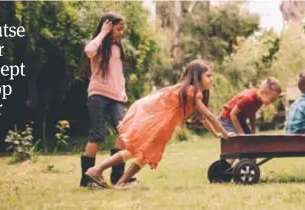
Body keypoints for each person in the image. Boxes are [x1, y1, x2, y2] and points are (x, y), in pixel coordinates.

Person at [84, 60, 230, 190]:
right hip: (156, 121)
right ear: (197, 77)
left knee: (145, 155)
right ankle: (97, 170)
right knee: (135, 150)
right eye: (208, 76)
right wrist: (226, 134)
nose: (212, 79)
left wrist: (216, 134)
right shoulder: (191, 91)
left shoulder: (191, 91)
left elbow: (204, 118)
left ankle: (121, 182)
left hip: (161, 124)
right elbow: (210, 115)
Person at [79, 12, 131, 187]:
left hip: (116, 97)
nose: (120, 33)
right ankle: (87, 179)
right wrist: (102, 33)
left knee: (125, 131)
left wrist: (122, 92)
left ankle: (118, 177)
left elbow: (119, 75)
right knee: (98, 134)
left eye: (122, 29)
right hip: (98, 95)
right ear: (108, 28)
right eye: (118, 29)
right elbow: (88, 50)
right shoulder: (99, 45)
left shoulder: (117, 49)